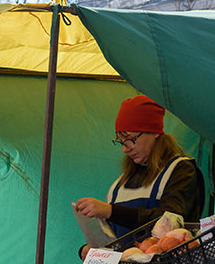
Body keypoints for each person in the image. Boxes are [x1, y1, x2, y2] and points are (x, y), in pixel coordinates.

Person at [71, 95, 204, 255]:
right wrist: (90, 250)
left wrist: (111, 211)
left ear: (154, 132)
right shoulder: (118, 185)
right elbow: (113, 239)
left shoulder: (180, 170)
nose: (125, 149)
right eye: (120, 141)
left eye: (130, 139)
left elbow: (169, 222)